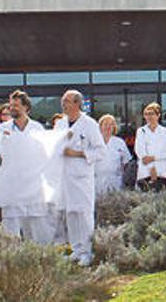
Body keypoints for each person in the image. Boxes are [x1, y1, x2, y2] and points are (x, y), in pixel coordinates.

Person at [54, 90, 106, 266]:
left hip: (82, 178)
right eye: (63, 101)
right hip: (65, 177)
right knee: (71, 214)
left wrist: (77, 153)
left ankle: (87, 252)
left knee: (84, 214)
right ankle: (76, 249)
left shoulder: (89, 124)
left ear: (77, 104)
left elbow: (100, 151)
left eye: (67, 101)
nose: (64, 104)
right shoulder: (60, 124)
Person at [0, 90, 56, 244]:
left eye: (16, 105)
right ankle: (12, 261)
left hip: (33, 186)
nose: (12, 108)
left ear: (26, 107)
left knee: (37, 226)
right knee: (10, 228)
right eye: (11, 105)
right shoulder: (1, 129)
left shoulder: (37, 128)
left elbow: (46, 155)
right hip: (11, 186)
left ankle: (41, 258)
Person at [134, 102, 166, 192]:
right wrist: (151, 168)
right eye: (146, 114)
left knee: (163, 195)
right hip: (145, 169)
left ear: (158, 115)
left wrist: (154, 158)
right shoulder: (141, 131)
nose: (149, 117)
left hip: (161, 168)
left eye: (151, 114)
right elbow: (139, 150)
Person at [95, 114, 132, 195]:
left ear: (114, 127)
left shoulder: (120, 142)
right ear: (100, 126)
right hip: (97, 180)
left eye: (111, 124)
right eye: (105, 124)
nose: (108, 127)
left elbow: (126, 161)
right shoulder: (93, 142)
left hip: (115, 180)